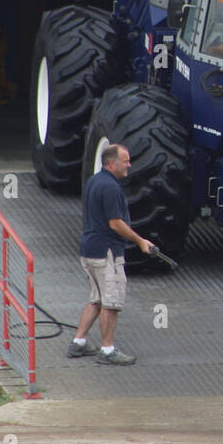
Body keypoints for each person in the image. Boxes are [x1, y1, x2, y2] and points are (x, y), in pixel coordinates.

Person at [69, 143, 153, 365]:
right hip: (106, 253)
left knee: (96, 299)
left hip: (88, 250)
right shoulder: (112, 188)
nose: (129, 165)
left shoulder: (94, 181)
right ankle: (107, 350)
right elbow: (115, 223)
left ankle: (78, 342)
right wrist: (140, 241)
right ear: (111, 163)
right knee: (111, 302)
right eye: (125, 160)